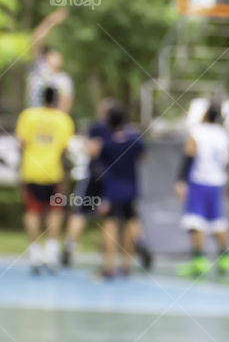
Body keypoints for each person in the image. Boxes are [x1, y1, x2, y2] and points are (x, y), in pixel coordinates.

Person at [15, 86, 75, 274]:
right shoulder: (64, 120)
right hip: (54, 173)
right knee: (55, 212)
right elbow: (66, 150)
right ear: (57, 100)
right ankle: (51, 253)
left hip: (30, 172)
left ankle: (35, 254)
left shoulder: (27, 116)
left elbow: (21, 143)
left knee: (31, 211)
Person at [174, 102, 229, 277]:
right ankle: (225, 258)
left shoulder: (197, 132)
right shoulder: (223, 135)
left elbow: (189, 155)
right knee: (218, 220)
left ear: (205, 115)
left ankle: (198, 261)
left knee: (196, 220)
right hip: (217, 182)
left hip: (199, 181)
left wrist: (180, 180)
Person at [93, 104, 149, 278]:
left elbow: (98, 164)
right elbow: (143, 157)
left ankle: (109, 267)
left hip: (111, 191)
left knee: (110, 225)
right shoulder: (134, 140)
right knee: (130, 223)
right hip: (130, 189)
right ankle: (127, 265)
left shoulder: (107, 144)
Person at [62, 97, 114, 267]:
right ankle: (138, 244)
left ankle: (69, 246)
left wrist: (88, 144)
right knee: (114, 216)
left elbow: (91, 150)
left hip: (94, 175)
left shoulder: (98, 127)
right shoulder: (123, 132)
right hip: (114, 179)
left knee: (79, 213)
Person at [27, 9, 74, 114]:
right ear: (46, 57)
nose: (59, 57)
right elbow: (35, 39)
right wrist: (51, 20)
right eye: (55, 54)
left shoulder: (65, 79)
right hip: (35, 117)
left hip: (53, 122)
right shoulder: (39, 68)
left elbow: (66, 104)